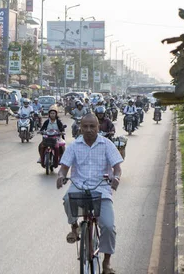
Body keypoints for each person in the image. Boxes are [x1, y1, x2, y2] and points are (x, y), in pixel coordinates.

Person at [56, 114, 123, 274]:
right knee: (67, 199)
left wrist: (117, 177)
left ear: (98, 127)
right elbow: (64, 167)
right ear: (80, 127)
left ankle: (106, 263)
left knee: (108, 226)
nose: (88, 130)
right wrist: (60, 176)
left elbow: (117, 168)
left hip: (101, 190)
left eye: (92, 126)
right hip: (79, 187)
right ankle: (74, 227)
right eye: (85, 126)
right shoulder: (74, 146)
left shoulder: (107, 144)